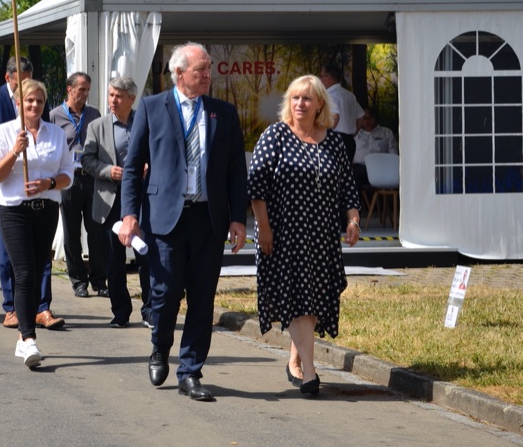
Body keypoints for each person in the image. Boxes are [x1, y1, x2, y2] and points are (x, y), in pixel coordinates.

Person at [118, 43, 248, 402]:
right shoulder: (151, 107)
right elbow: (132, 167)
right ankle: (160, 348)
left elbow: (237, 170)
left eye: (208, 69)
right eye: (200, 69)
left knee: (203, 298)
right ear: (179, 74)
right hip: (164, 219)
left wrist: (238, 218)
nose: (207, 75)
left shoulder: (224, 113)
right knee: (165, 294)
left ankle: (190, 371)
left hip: (208, 220)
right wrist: (130, 215)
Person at [248, 74, 361, 397]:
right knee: (298, 299)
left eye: (307, 99)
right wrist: (264, 228)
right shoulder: (276, 136)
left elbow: (348, 189)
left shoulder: (334, 142)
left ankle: (295, 362)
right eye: (295, 98)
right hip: (284, 235)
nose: (300, 104)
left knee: (314, 300)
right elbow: (257, 188)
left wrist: (353, 220)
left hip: (322, 237)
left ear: (320, 105)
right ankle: (310, 373)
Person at [0, 79, 74, 368]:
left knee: (37, 272)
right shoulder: (3, 132)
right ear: (18, 103)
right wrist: (14, 151)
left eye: (38, 100)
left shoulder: (56, 134)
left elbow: (67, 175)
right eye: (28, 101)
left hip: (46, 209)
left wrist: (48, 183)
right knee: (23, 271)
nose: (34, 105)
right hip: (14, 210)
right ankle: (28, 338)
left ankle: (23, 334)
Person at [0, 57, 62, 330]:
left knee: (40, 260)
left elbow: (48, 144)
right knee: (11, 257)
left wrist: (49, 181)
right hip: (8, 192)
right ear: (9, 79)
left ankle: (41, 306)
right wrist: (12, 146)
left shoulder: (41, 111)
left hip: (41, 198)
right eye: (20, 81)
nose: (28, 90)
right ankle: (12, 307)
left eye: (29, 78)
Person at [81, 76, 152, 328]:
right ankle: (120, 311)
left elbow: (157, 152)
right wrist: (108, 170)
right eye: (111, 95)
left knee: (146, 257)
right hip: (111, 200)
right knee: (114, 260)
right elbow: (86, 160)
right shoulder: (97, 126)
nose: (113, 100)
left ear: (132, 99)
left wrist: (148, 166)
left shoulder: (145, 122)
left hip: (142, 199)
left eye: (119, 96)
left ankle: (150, 310)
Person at [49, 73, 105, 298]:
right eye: (81, 89)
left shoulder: (94, 114)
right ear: (69, 89)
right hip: (68, 179)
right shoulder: (55, 116)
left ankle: (99, 280)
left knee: (97, 231)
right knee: (72, 233)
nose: (84, 95)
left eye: (87, 90)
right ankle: (78, 281)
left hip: (91, 177)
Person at [320, 63, 364, 163]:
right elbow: (361, 115)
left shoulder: (330, 95)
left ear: (329, 78)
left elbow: (335, 117)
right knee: (345, 175)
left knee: (330, 175)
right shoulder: (349, 95)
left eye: (321, 76)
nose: (320, 80)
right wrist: (353, 132)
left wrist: (323, 136)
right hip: (349, 141)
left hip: (333, 140)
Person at [352, 107, 398, 186]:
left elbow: (393, 155)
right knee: (353, 176)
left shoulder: (386, 133)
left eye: (364, 118)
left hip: (380, 168)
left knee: (356, 175)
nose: (360, 120)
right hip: (359, 167)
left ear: (372, 120)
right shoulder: (356, 134)